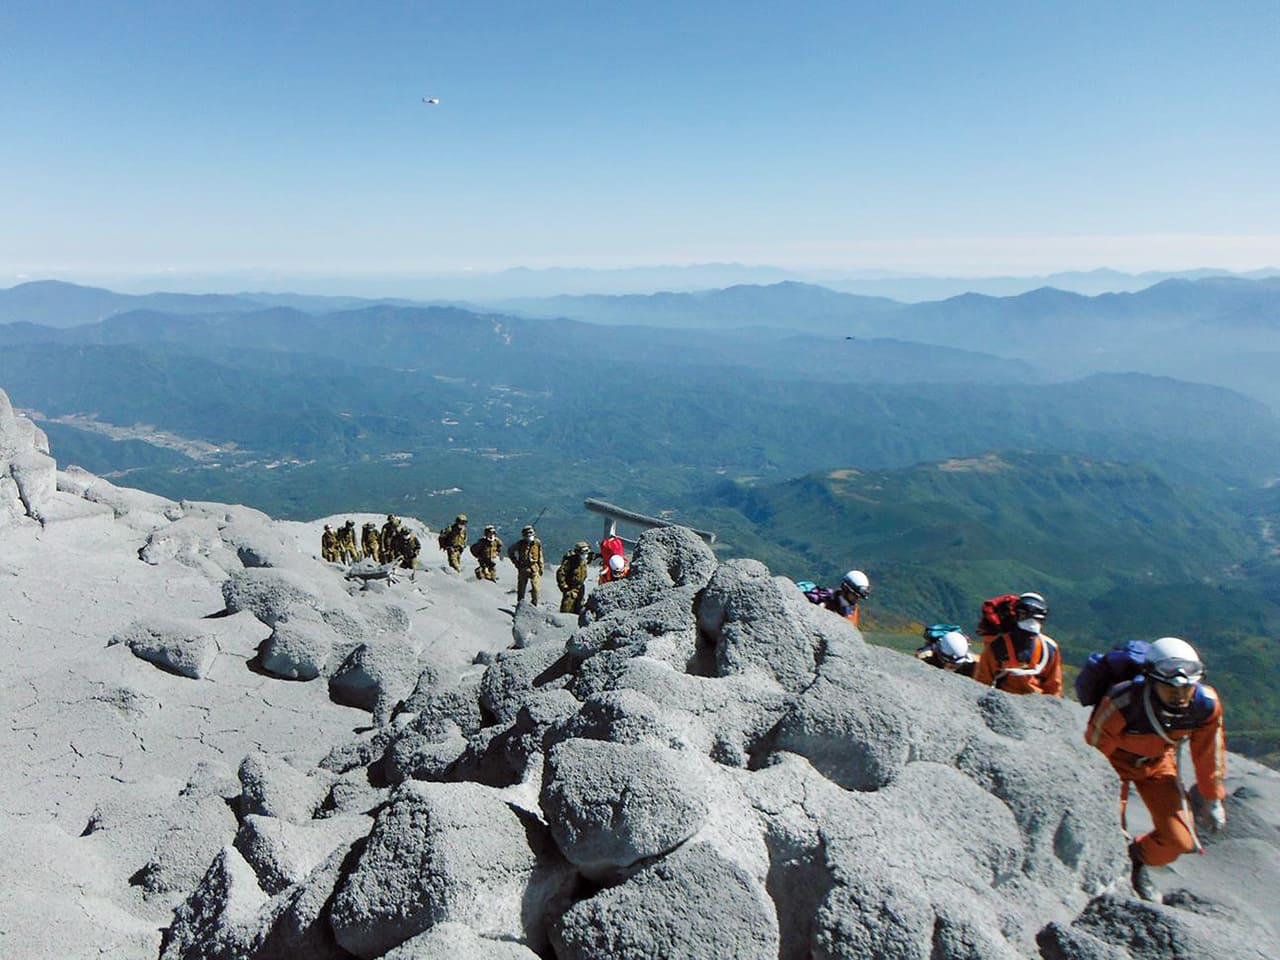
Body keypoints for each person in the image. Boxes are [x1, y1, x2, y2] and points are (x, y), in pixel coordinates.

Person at [1084, 637, 1227, 901]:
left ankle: (1136, 860)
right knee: (1110, 830)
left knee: (1180, 840)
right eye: (1171, 688)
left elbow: (1209, 753)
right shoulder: (1123, 701)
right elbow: (1092, 752)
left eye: (1187, 688)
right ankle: (1110, 873)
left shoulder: (1205, 706)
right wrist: (1097, 795)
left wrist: (1212, 798)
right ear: (1151, 679)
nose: (1180, 695)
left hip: (1159, 765)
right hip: (1113, 765)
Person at [971, 592, 1062, 696]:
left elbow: (982, 681)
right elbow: (1054, 687)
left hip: (1010, 701)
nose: (1031, 622)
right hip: (1026, 703)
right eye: (1026, 615)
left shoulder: (997, 645)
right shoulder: (1049, 648)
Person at [508, 524, 544, 604]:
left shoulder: (537, 543)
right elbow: (510, 551)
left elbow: (540, 555)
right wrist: (516, 563)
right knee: (521, 588)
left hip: (534, 568)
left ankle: (534, 604)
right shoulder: (520, 544)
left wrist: (541, 567)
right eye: (527, 534)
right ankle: (520, 603)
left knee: (536, 588)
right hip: (523, 568)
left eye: (531, 533)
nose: (529, 535)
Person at [557, 541, 592, 614]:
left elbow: (592, 557)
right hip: (571, 589)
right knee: (567, 610)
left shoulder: (583, 560)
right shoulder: (570, 561)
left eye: (587, 552)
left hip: (581, 588)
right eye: (583, 552)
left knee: (579, 609)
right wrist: (563, 586)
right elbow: (561, 573)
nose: (586, 554)